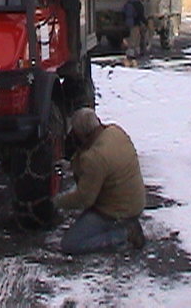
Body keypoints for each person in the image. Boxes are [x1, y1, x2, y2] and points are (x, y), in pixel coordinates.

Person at [54, 108, 146, 255]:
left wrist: (57, 202)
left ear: (82, 136)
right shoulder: (115, 131)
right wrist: (71, 165)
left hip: (115, 211)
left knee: (70, 244)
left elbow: (84, 199)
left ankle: (124, 234)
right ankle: (127, 224)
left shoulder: (94, 157)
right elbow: (102, 164)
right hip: (135, 203)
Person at [122, 0, 147, 66]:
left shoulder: (129, 2)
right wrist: (145, 22)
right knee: (134, 39)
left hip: (128, 22)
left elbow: (123, 12)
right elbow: (141, 15)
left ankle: (133, 53)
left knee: (135, 37)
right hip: (135, 23)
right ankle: (131, 55)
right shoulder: (138, 4)